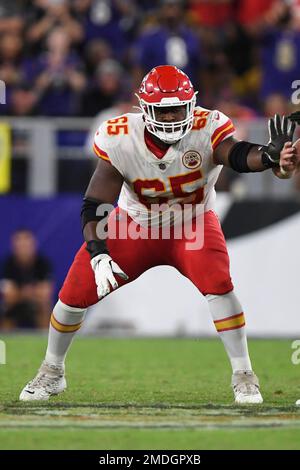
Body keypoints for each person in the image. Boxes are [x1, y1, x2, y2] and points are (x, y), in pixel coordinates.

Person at [19, 65, 298, 403]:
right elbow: (95, 203)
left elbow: (236, 154)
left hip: (191, 223)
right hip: (134, 224)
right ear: (145, 108)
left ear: (191, 104)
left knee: (220, 287)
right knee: (71, 296)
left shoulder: (208, 125)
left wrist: (267, 155)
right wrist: (98, 252)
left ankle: (243, 374)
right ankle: (52, 370)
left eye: (177, 108)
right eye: (162, 109)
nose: (170, 116)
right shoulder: (121, 135)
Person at [1, 229, 53, 330]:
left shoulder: (42, 263)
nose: (23, 247)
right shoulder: (7, 264)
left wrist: (20, 292)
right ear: (14, 245)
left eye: (26, 243)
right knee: (6, 307)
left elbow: (45, 293)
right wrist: (30, 292)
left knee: (44, 306)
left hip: (35, 304)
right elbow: (8, 295)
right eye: (20, 243)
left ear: (33, 244)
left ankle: (47, 341)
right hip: (14, 305)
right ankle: (5, 340)